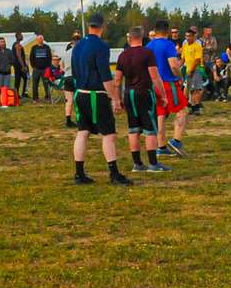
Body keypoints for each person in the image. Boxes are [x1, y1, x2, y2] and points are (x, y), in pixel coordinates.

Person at [69, 14, 132, 187]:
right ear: (102, 27)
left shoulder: (78, 45)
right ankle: (114, 173)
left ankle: (79, 173)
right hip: (95, 94)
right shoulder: (101, 46)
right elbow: (105, 76)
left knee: (83, 131)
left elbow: (74, 72)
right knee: (109, 134)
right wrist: (115, 99)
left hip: (80, 92)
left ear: (89, 26)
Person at [117, 27, 168, 174]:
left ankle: (137, 164)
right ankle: (153, 163)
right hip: (144, 93)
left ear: (129, 38)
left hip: (128, 94)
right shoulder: (147, 53)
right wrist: (162, 95)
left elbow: (117, 80)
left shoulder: (123, 55)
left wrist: (118, 98)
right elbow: (155, 76)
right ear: (142, 38)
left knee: (133, 129)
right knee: (150, 129)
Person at [148, 20, 188, 155]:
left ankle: (161, 147)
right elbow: (174, 65)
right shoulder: (169, 44)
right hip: (168, 83)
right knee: (182, 110)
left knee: (160, 114)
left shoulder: (148, 45)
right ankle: (176, 140)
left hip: (154, 84)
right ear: (167, 31)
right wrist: (180, 77)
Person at [182, 27, 206, 114]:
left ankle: (196, 107)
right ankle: (192, 106)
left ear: (193, 37)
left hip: (196, 70)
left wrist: (191, 70)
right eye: (186, 36)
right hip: (188, 70)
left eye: (189, 36)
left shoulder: (197, 46)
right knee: (190, 90)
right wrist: (179, 67)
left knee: (197, 89)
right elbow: (183, 58)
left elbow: (197, 60)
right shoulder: (185, 46)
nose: (187, 38)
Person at [28, 35, 54, 101]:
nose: (41, 40)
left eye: (42, 38)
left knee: (46, 84)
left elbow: (49, 57)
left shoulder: (46, 47)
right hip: (36, 69)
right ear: (37, 40)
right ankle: (35, 98)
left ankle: (47, 97)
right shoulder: (34, 48)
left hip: (45, 69)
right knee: (35, 84)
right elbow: (31, 58)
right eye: (39, 39)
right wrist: (33, 66)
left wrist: (49, 67)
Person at [11, 32, 29, 99]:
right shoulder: (17, 45)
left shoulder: (16, 44)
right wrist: (23, 66)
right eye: (21, 35)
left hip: (17, 65)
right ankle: (21, 94)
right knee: (24, 78)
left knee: (19, 79)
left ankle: (18, 94)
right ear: (17, 36)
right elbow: (19, 56)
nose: (22, 36)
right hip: (19, 66)